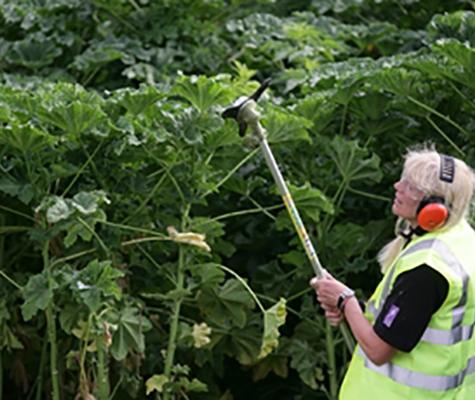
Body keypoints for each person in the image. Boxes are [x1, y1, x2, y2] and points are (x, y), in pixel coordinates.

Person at [310, 147, 475, 399]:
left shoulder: (427, 269)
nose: (398, 186)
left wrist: (346, 301)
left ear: (435, 208)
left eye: (411, 186)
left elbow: (378, 351)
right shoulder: (462, 240)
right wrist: (349, 308)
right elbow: (418, 317)